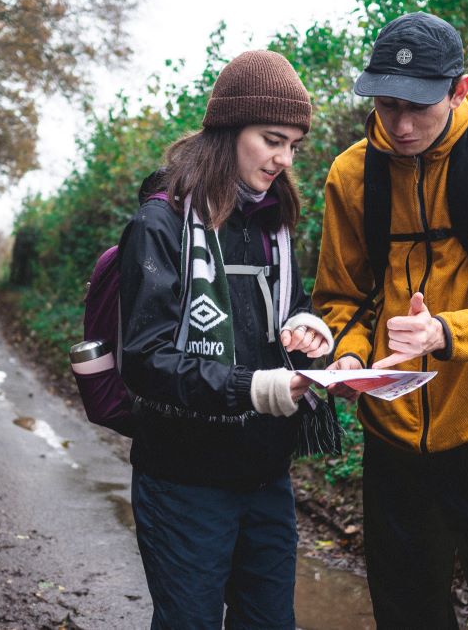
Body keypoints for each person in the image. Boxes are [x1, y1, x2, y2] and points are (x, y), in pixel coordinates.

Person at [313, 12, 468, 628]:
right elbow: (340, 297)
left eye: (418, 106)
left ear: (460, 90)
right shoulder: (351, 175)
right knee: (407, 612)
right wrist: (346, 354)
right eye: (386, 104)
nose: (399, 125)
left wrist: (444, 332)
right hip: (393, 438)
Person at [118, 50, 334, 630]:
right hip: (182, 477)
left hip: (265, 476)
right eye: (271, 140)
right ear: (229, 128)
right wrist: (255, 387)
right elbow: (145, 360)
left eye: (293, 145)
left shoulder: (275, 224)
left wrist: (311, 328)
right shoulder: (158, 225)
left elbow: (287, 308)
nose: (284, 159)